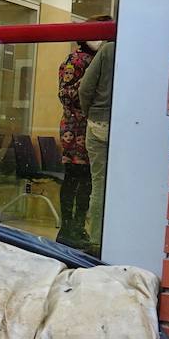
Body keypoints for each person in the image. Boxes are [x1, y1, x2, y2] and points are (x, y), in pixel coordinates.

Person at [55, 40, 97, 249]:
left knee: (82, 180)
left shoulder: (87, 58)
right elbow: (66, 93)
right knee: (76, 177)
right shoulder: (77, 60)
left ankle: (75, 227)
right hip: (76, 127)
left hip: (81, 126)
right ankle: (69, 229)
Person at [78, 37, 115, 256]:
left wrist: (90, 113)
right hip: (130, 124)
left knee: (99, 183)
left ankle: (97, 240)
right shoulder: (141, 48)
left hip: (100, 122)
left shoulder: (108, 49)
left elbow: (85, 88)